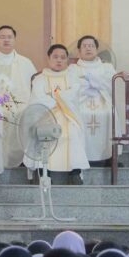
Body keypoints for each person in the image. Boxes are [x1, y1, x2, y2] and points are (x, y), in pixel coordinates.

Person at [27, 44, 89, 184]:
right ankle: (44, 173)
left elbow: (74, 94)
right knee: (43, 135)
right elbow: (38, 97)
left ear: (67, 60)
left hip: (69, 116)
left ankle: (75, 173)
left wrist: (55, 96)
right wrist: (59, 98)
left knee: (73, 133)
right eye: (55, 57)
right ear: (48, 59)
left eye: (63, 57)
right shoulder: (40, 78)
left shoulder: (73, 77)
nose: (59, 60)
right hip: (46, 115)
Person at [0, 25, 37, 170]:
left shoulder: (25, 63)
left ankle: (24, 162)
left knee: (26, 114)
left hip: (20, 107)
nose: (6, 40)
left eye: (9, 37)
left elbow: (33, 87)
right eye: (2, 37)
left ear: (14, 40)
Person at [70, 35, 115, 165]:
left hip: (103, 101)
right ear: (79, 51)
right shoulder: (73, 68)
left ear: (96, 49)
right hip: (81, 101)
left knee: (108, 114)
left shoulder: (107, 67)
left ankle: (108, 156)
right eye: (84, 46)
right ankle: (79, 157)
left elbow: (110, 84)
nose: (88, 48)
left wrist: (89, 80)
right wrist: (94, 83)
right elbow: (74, 86)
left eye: (91, 46)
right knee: (77, 116)